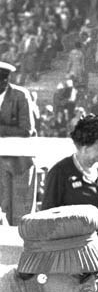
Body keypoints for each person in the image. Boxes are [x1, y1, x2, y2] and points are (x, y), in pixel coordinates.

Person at [0, 60, 37, 224]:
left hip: (20, 164)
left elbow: (26, 130)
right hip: (1, 163)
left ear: (5, 81)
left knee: (22, 215)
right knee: (3, 211)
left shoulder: (20, 96)